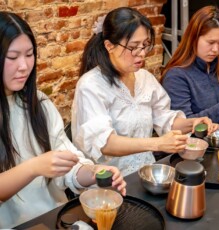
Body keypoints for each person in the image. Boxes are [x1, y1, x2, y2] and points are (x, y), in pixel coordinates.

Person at [0, 11, 126, 228]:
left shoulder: (38, 103)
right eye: (12, 57)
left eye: (29, 54)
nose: (24, 66)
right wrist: (34, 167)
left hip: (53, 218)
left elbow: (67, 160)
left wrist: (94, 173)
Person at [71, 7, 219, 177]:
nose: (141, 54)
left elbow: (164, 118)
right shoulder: (91, 86)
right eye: (134, 47)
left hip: (146, 173)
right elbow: (105, 144)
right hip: (109, 181)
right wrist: (157, 144)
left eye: (145, 45)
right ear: (109, 46)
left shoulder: (145, 78)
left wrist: (191, 123)